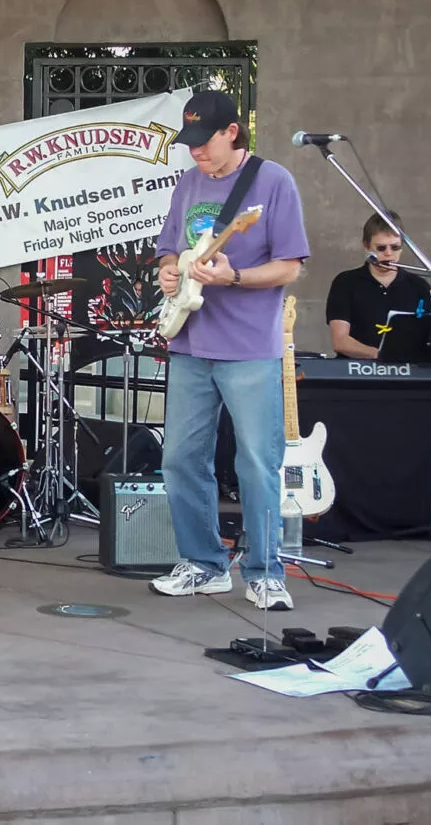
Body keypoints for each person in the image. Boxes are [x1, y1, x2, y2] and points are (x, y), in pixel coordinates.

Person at [151, 90, 309, 610]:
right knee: (179, 459)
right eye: (190, 141)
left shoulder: (272, 182)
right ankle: (203, 563)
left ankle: (265, 571)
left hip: (248, 345)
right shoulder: (188, 182)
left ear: (232, 133)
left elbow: (291, 266)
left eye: (205, 141)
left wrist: (234, 275)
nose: (196, 151)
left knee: (257, 463)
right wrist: (169, 270)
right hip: (191, 341)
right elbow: (168, 248)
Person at [325, 213, 431, 360]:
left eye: (395, 247)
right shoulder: (346, 282)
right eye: (381, 248)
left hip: (407, 373)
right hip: (357, 372)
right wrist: (381, 356)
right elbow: (340, 341)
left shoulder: (419, 286)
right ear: (367, 246)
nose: (389, 254)